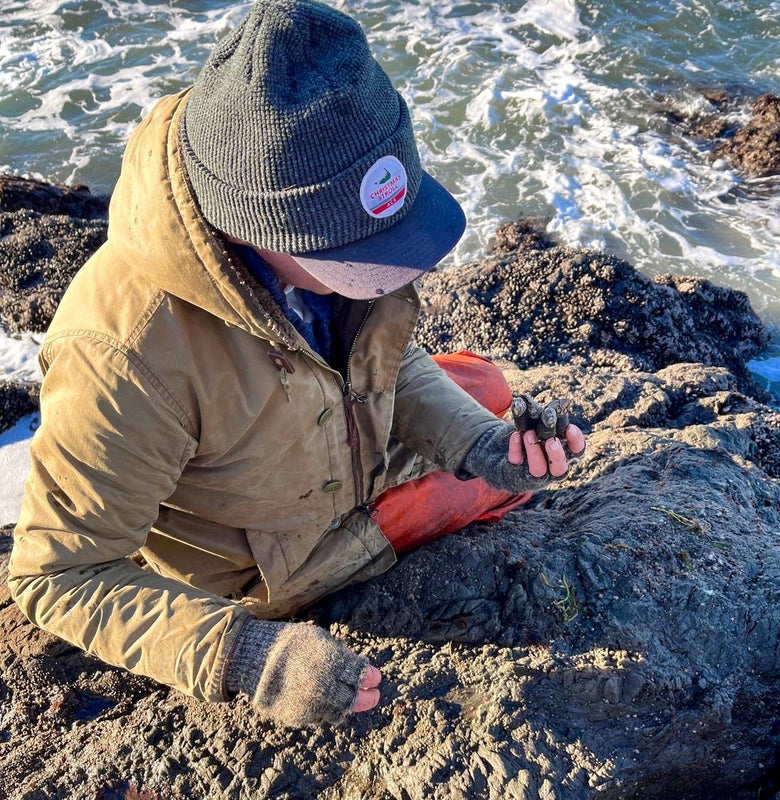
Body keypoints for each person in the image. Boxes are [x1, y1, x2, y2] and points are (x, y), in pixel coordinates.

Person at [8, 0, 585, 728]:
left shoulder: (323, 221)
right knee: (485, 485)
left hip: (334, 455)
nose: (391, 268)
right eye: (360, 256)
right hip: (277, 566)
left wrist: (482, 445)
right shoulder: (125, 358)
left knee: (487, 391)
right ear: (253, 225)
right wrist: (248, 657)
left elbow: (384, 362)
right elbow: (59, 575)